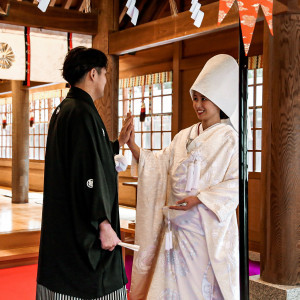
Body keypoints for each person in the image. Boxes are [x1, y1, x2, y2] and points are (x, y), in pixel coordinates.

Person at [124, 54, 240, 300]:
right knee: (174, 284)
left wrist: (199, 199)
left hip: (204, 228)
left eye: (204, 99)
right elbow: (158, 164)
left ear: (219, 100)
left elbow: (236, 185)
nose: (198, 105)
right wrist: (133, 146)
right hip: (176, 226)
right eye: (195, 98)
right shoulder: (184, 135)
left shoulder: (230, 139)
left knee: (200, 287)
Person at [36, 47, 133, 300]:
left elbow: (90, 157)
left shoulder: (66, 109)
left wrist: (117, 143)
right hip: (84, 226)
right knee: (89, 280)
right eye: (104, 74)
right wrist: (102, 221)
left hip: (66, 221)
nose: (105, 80)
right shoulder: (81, 112)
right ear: (93, 74)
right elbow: (85, 175)